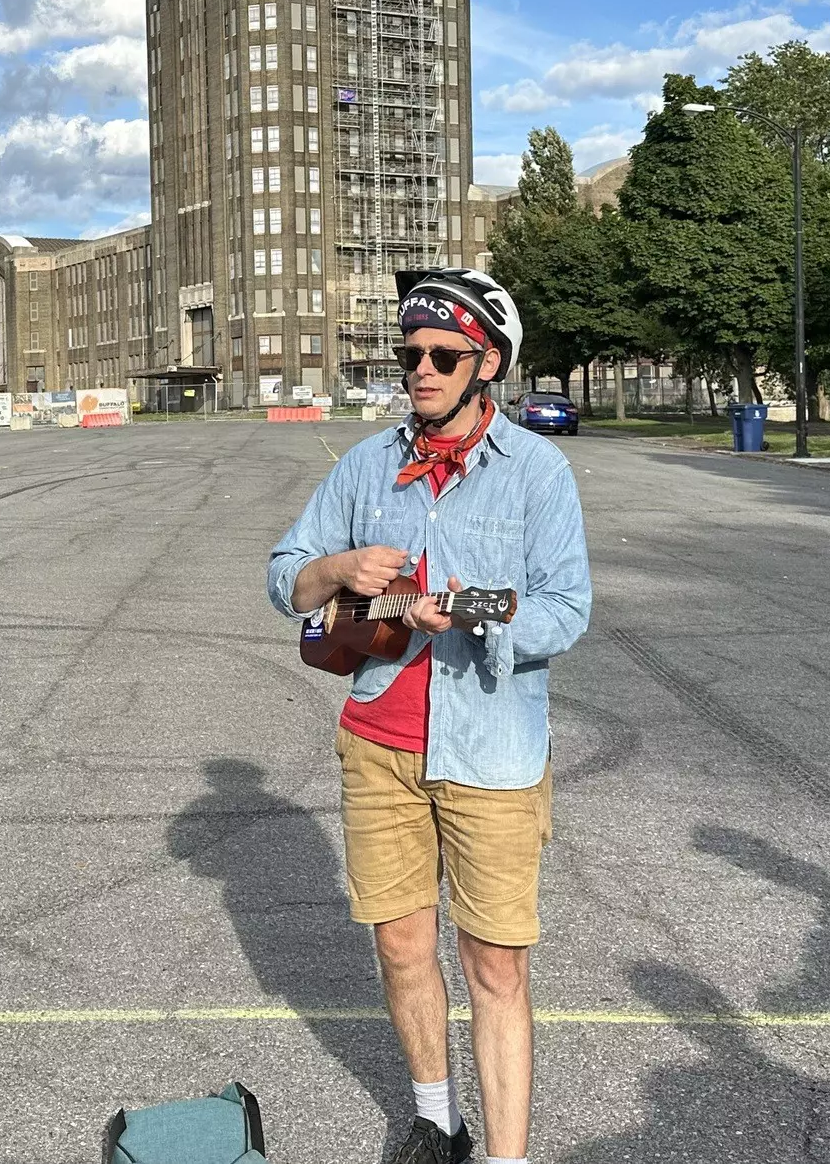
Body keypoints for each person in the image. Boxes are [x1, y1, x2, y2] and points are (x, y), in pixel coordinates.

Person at [267, 268, 592, 1164]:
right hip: (378, 744)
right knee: (404, 948)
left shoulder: (536, 471)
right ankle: (435, 1119)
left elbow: (568, 609)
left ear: (486, 362)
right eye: (410, 355)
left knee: (495, 968)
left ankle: (506, 1157)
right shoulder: (368, 464)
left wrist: (471, 609)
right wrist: (338, 572)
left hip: (490, 749)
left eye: (443, 356)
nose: (421, 370)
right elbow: (282, 574)